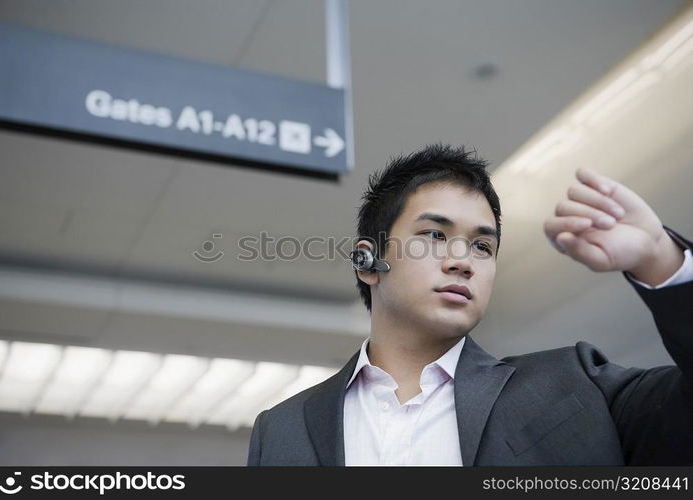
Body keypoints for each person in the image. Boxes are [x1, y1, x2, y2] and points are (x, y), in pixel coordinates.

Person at [247, 143, 692, 466]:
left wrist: (661, 261)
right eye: (435, 236)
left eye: (482, 247)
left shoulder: (577, 388)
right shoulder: (281, 430)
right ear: (368, 261)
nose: (462, 261)